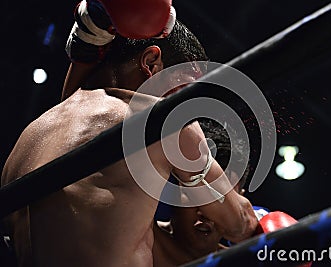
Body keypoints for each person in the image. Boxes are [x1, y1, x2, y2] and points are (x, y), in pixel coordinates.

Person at [1, 4, 259, 267]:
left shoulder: (27, 141)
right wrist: (265, 220)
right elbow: (241, 224)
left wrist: (90, 39)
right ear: (151, 64)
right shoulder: (158, 120)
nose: (184, 108)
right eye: (182, 90)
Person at [153, 120, 252, 267]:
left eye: (221, 199)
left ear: (241, 201)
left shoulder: (244, 263)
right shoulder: (137, 239)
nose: (207, 212)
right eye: (196, 194)